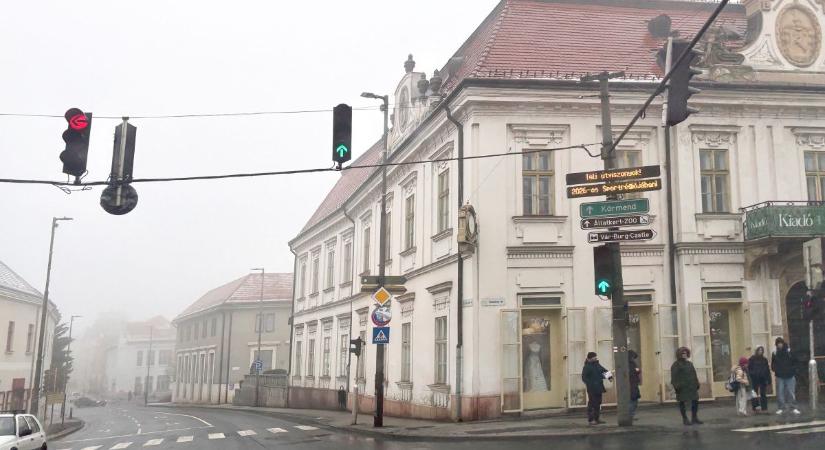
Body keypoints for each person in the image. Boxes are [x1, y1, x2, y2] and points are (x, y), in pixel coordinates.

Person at [671, 347, 702, 425]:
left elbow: (694, 374)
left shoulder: (689, 364)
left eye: (685, 353)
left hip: (692, 386)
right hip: (682, 387)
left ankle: (694, 418)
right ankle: (685, 419)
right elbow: (674, 376)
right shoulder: (676, 365)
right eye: (682, 353)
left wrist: (697, 383)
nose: (684, 355)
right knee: (682, 403)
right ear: (679, 354)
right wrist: (676, 386)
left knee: (695, 401)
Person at [771, 337, 801, 415]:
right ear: (776, 345)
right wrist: (775, 369)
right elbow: (773, 364)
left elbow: (796, 361)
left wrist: (793, 370)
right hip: (780, 375)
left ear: (783, 343)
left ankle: (793, 407)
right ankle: (781, 407)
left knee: (791, 392)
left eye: (780, 343)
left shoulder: (789, 351)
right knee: (780, 393)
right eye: (778, 344)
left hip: (789, 375)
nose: (779, 345)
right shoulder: (775, 353)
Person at [582, 352, 611, 425]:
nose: (595, 358)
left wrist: (610, 377)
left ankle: (597, 419)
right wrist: (590, 384)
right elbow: (584, 378)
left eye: (595, 357)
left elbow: (604, 370)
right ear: (590, 358)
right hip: (592, 388)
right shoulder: (587, 367)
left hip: (599, 387)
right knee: (592, 403)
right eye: (594, 357)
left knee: (598, 403)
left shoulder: (597, 364)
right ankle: (591, 420)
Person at [748, 346, 771, 413]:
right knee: (754, 393)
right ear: (756, 351)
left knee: (763, 393)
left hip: (763, 378)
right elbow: (749, 369)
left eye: (761, 350)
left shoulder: (764, 359)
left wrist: (769, 380)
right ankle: (755, 408)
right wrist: (753, 374)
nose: (760, 352)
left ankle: (764, 408)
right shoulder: (752, 359)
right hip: (754, 378)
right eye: (759, 350)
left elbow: (767, 370)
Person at [628, 350, 642, 420]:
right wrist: (637, 371)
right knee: (633, 400)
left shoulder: (632, 363)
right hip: (632, 383)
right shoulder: (630, 364)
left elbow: (637, 370)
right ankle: (630, 415)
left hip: (633, 383)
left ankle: (631, 415)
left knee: (633, 399)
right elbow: (636, 371)